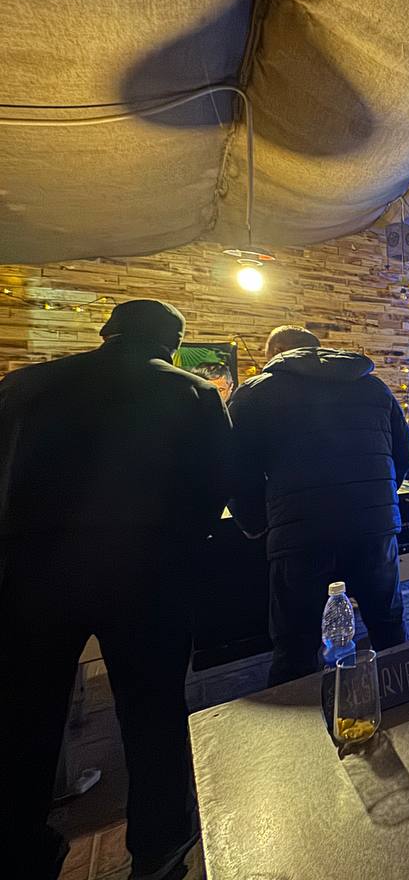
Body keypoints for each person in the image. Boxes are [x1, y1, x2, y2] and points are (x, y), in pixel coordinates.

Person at [0, 300, 232, 880]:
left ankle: (19, 849)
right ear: (173, 342)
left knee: (23, 718)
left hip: (33, 575)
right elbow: (213, 488)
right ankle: (159, 846)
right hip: (146, 577)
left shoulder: (21, 386)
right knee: (153, 712)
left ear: (108, 332)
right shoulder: (194, 393)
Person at [229, 326, 409, 685]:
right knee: (388, 628)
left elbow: (235, 472)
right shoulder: (374, 388)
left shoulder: (255, 392)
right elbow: (403, 454)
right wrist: (379, 502)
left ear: (278, 351)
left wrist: (257, 523)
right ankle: (404, 703)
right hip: (373, 529)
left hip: (300, 534)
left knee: (295, 644)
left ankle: (302, 714)